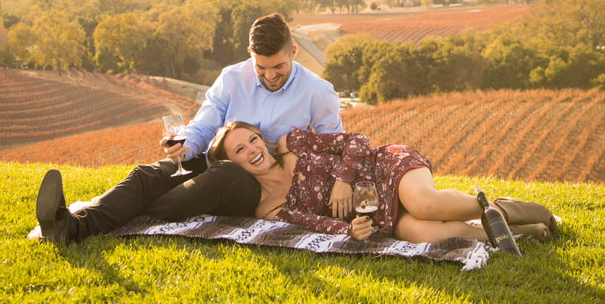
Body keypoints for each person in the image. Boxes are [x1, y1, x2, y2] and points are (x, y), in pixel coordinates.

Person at [36, 13, 346, 243]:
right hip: (216, 155)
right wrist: (185, 146)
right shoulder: (232, 77)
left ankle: (122, 208)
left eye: (277, 67)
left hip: (258, 180)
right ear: (250, 56)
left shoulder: (318, 92)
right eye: (260, 68)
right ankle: (70, 226)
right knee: (149, 175)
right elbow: (205, 124)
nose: (269, 75)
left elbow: (335, 146)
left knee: (224, 176)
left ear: (293, 52)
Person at [208, 122, 558, 245]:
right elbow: (314, 223)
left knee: (425, 206)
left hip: (385, 167)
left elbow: (357, 141)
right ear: (231, 164)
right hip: (374, 213)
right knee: (425, 234)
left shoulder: (290, 143)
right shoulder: (267, 208)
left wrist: (344, 179)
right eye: (240, 149)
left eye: (253, 139)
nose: (253, 149)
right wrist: (351, 230)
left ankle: (510, 209)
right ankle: (520, 232)